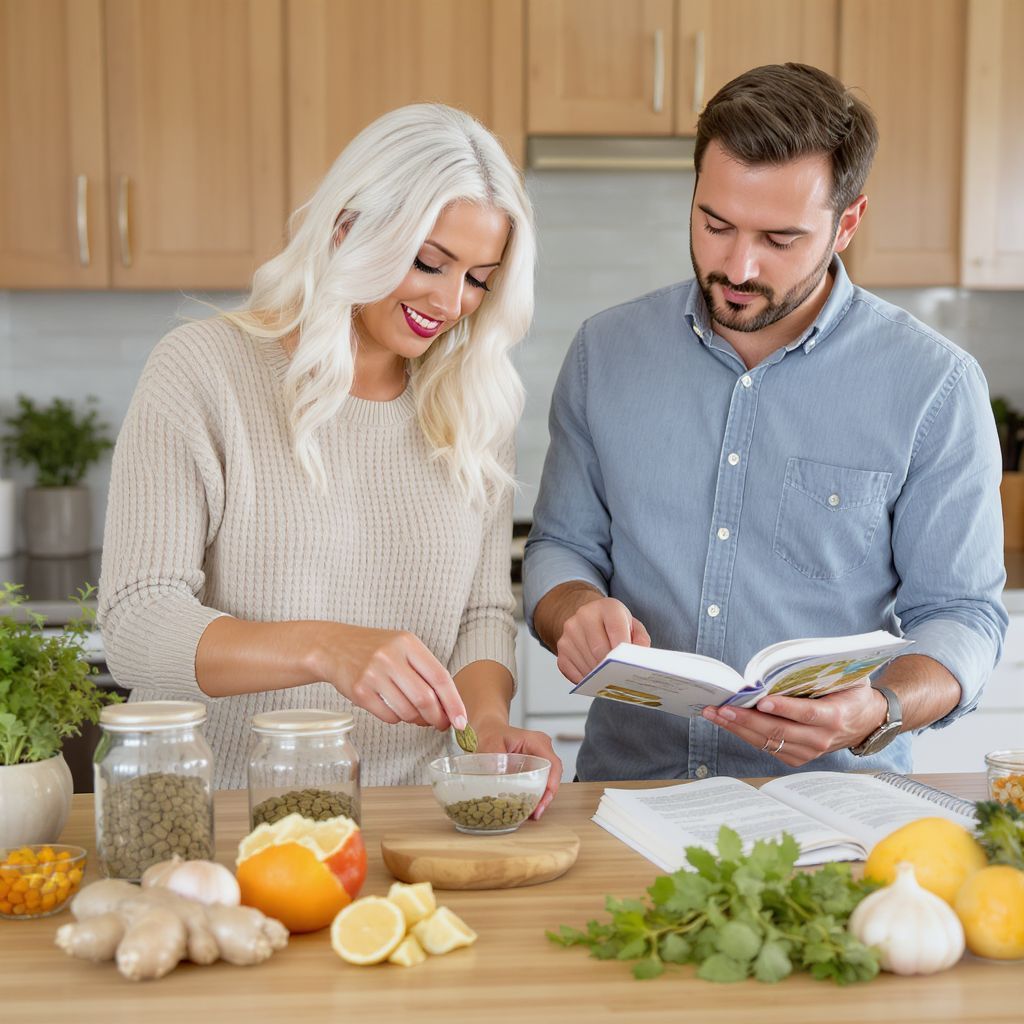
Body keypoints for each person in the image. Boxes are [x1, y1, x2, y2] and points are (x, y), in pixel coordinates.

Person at [523, 63, 1007, 783]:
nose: (738, 265)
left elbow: (965, 615)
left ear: (847, 224)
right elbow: (560, 547)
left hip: (833, 806)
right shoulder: (606, 353)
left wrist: (877, 707)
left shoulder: (934, 384)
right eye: (715, 224)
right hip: (626, 790)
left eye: (780, 239)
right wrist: (576, 610)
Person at [99, 103, 561, 811]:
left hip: (410, 816)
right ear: (348, 230)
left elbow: (480, 612)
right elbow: (137, 623)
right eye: (428, 262)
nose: (448, 301)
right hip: (219, 813)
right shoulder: (203, 371)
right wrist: (325, 648)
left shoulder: (476, 404)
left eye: (478, 278)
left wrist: (487, 729)